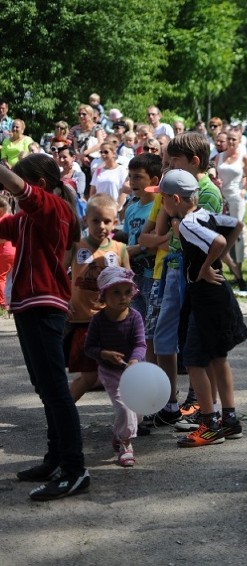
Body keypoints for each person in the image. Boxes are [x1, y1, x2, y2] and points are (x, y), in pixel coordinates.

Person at [0, 153, 89, 500]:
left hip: (43, 307)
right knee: (45, 387)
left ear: (37, 184)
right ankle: (55, 459)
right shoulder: (26, 218)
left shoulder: (53, 207)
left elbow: (20, 189)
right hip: (28, 309)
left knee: (55, 390)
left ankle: (74, 468)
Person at [152, 169, 247, 446]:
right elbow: (236, 226)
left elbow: (218, 241)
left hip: (206, 297)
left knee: (195, 360)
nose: (162, 205)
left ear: (174, 199)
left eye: (162, 200)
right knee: (218, 357)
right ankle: (229, 420)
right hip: (219, 295)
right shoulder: (205, 214)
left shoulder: (186, 224)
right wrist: (217, 261)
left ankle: (208, 424)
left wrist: (206, 267)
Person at [66, 193, 131, 401]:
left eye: (106, 221)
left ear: (115, 222)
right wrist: (62, 298)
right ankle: (59, 413)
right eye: (96, 220)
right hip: (83, 322)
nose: (101, 226)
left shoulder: (119, 249)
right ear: (86, 219)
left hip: (112, 323)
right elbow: (58, 272)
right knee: (88, 376)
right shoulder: (77, 246)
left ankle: (131, 418)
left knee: (122, 373)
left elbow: (129, 284)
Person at [84, 267, 146, 467]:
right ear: (104, 295)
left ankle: (119, 434)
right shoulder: (98, 320)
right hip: (110, 372)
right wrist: (104, 354)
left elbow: (140, 344)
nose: (123, 297)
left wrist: (135, 361)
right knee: (124, 408)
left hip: (134, 372)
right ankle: (125, 445)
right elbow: (89, 348)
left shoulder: (135, 317)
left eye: (127, 292)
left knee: (138, 413)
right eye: (116, 292)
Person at [123, 153, 161, 361]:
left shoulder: (159, 208)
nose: (132, 182)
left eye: (138, 177)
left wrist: (136, 249)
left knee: (151, 326)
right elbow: (127, 235)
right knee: (135, 324)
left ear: (154, 181)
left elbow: (157, 240)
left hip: (153, 275)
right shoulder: (132, 208)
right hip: (133, 277)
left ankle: (153, 368)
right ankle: (139, 365)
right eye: (130, 177)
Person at [215, 128, 247, 290]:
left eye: (234, 139)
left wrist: (243, 190)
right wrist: (216, 182)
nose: (231, 142)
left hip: (236, 198)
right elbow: (214, 175)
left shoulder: (244, 158)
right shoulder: (219, 157)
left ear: (239, 141)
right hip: (221, 197)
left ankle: (239, 271)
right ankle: (228, 269)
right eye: (228, 139)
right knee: (221, 232)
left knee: (237, 235)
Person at [0, 197, 15, 309]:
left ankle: (4, 304)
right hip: (16, 251)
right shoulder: (11, 218)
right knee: (12, 277)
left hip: (5, 253)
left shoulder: (1, 221)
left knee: (1, 277)